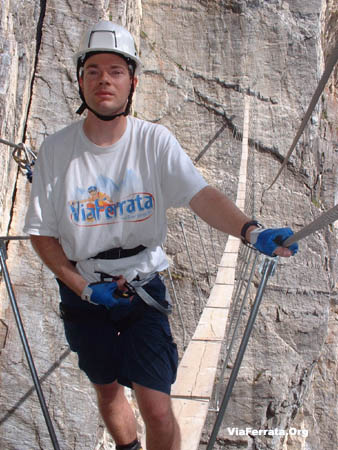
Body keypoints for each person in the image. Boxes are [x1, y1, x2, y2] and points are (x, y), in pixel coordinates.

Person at [24, 20, 298, 450]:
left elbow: (200, 195)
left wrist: (250, 231)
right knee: (109, 389)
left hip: (141, 287)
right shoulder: (56, 152)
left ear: (132, 81)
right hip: (85, 290)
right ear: (80, 81)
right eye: (93, 70)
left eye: (115, 71)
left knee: (155, 405)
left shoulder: (155, 142)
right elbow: (41, 234)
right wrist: (84, 289)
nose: (103, 80)